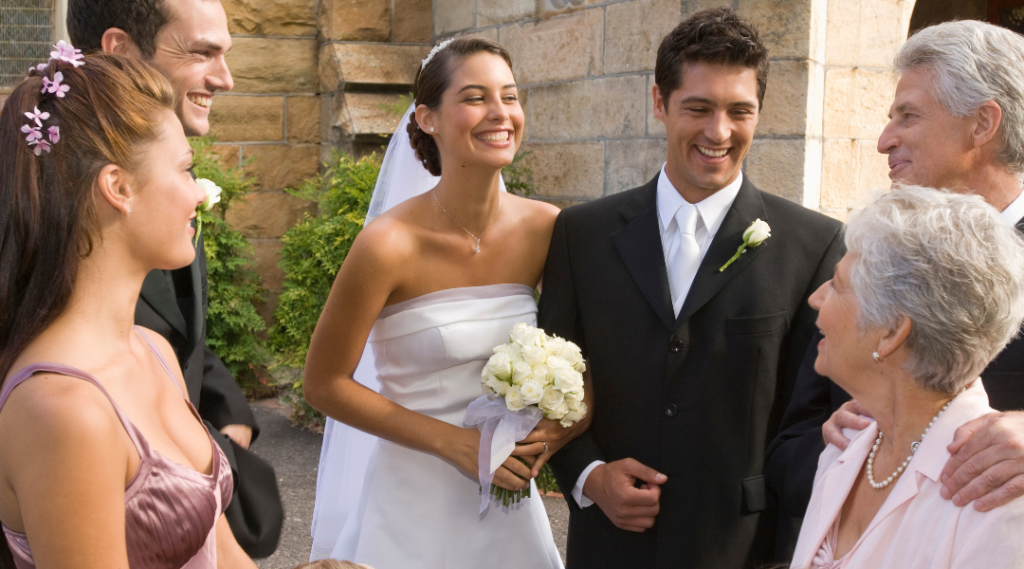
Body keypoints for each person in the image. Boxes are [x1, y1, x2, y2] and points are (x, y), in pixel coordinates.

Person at [537, 8, 844, 568]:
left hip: (745, 548)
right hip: (610, 544)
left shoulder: (815, 245)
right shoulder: (580, 234)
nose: (718, 132)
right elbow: (555, 383)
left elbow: (813, 414)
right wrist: (590, 475)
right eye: (698, 108)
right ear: (659, 102)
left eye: (739, 111)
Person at [303, 37, 586, 568]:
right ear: (428, 117)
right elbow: (324, 383)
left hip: (509, 505)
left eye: (510, 96)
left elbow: (589, 357)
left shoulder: (548, 228)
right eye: (476, 98)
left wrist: (550, 434)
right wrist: (454, 444)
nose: (500, 113)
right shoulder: (388, 245)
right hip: (411, 506)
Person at [766, 20, 1024, 557]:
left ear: (983, 124)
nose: (885, 140)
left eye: (908, 116)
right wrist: (839, 451)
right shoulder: (867, 256)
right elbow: (789, 450)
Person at [0, 52, 256, 568]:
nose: (198, 195)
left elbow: (224, 553)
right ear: (118, 188)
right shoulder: (65, 409)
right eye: (187, 169)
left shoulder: (154, 350)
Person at [65, 0, 283, 556]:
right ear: (119, 50)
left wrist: (222, 419)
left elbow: (179, 329)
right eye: (202, 52)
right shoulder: (43, 204)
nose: (225, 78)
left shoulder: (159, 182)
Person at [789, 186, 1024, 568]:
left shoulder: (997, 501)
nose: (816, 298)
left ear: (891, 331)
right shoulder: (846, 444)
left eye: (837, 285)